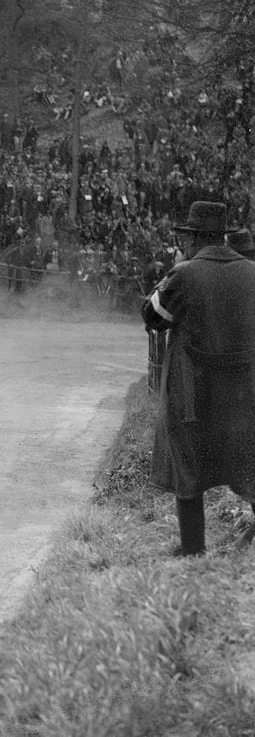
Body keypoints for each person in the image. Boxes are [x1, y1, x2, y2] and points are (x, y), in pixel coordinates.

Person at [142, 201, 255, 556]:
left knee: (189, 467)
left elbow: (153, 315)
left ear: (195, 238)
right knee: (248, 463)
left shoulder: (185, 273)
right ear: (223, 235)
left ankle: (193, 549)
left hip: (193, 394)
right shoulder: (251, 272)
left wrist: (165, 278)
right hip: (244, 393)